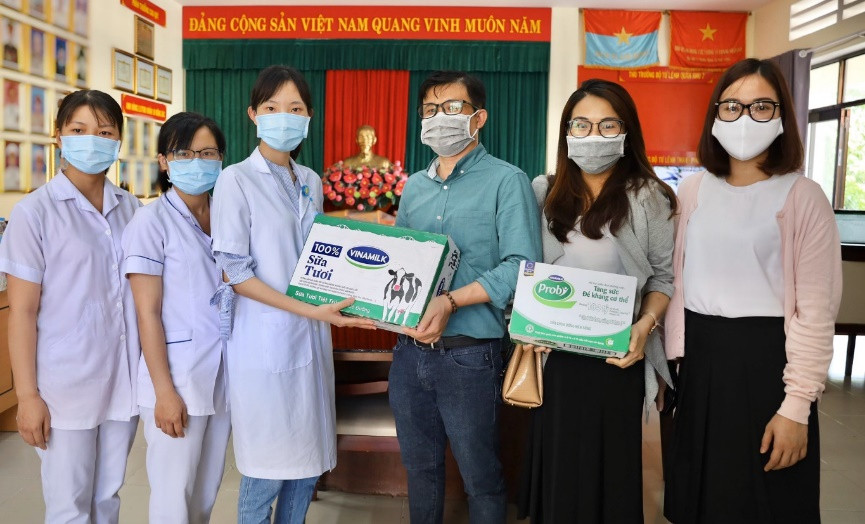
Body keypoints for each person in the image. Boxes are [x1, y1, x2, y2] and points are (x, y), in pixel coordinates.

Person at [663, 58, 842, 523]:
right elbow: (671, 281)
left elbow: (816, 313)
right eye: (732, 106)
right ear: (715, 114)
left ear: (782, 115)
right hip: (700, 367)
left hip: (768, 371)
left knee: (765, 501)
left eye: (761, 106)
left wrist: (797, 406)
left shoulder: (804, 196)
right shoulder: (693, 191)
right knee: (700, 499)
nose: (745, 118)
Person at [210, 65, 374, 523]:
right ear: (253, 114)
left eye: (295, 108)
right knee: (266, 469)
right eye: (272, 106)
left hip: (311, 334)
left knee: (306, 465)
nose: (284, 115)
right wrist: (309, 310)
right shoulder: (235, 180)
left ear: (308, 117)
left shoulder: (310, 181)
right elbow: (235, 274)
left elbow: (321, 256)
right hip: (264, 340)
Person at [515, 79, 676, 523]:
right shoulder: (543, 191)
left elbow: (663, 278)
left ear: (626, 131)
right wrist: (524, 322)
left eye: (608, 125)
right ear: (567, 132)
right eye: (581, 125)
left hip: (616, 357)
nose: (593, 135)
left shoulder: (648, 196)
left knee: (609, 476)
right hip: (553, 359)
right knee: (560, 474)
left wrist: (644, 327)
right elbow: (524, 268)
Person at [388, 70, 541, 524]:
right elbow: (399, 260)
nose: (440, 117)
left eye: (452, 107)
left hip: (470, 356)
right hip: (408, 353)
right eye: (430, 110)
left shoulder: (507, 181)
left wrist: (451, 301)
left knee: (481, 478)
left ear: (479, 117)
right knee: (420, 471)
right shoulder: (414, 186)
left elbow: (521, 265)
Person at [0, 89, 140, 522]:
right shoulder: (34, 213)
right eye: (79, 130)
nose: (92, 140)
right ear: (58, 135)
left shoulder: (132, 208)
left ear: (118, 141)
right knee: (70, 507)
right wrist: (27, 397)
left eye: (104, 131)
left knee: (107, 498)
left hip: (123, 379)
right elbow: (22, 312)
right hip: (65, 385)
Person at [122, 112, 230, 524]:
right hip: (177, 378)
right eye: (184, 153)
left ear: (221, 159)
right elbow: (147, 313)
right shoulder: (150, 221)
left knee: (205, 492)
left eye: (207, 153)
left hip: (222, 376)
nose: (197, 162)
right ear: (165, 161)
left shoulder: (227, 215)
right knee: (173, 496)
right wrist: (164, 392)